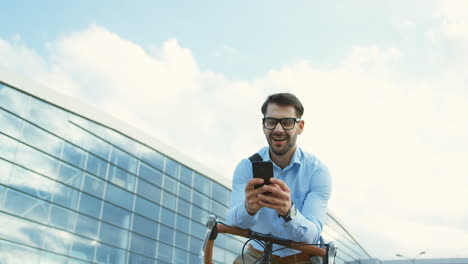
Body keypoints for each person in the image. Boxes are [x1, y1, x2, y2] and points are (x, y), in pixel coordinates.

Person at [226, 93, 332, 264]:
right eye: (271, 121)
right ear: (263, 125)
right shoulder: (246, 167)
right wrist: (248, 209)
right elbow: (231, 221)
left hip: (302, 260)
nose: (278, 129)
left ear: (300, 126)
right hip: (256, 257)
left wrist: (289, 212)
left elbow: (313, 235)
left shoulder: (317, 172)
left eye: (287, 122)